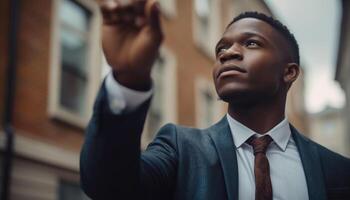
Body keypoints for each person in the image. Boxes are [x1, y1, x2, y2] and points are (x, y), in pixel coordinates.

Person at [80, 0, 350, 199]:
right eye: (222, 47)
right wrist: (127, 80)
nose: (228, 53)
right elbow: (109, 187)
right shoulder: (179, 148)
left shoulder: (338, 171)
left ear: (289, 72)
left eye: (251, 43)